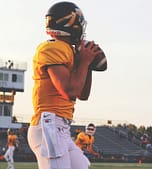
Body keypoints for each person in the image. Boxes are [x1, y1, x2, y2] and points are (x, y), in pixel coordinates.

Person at [27, 1, 106, 169]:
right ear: (71, 25)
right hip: (49, 124)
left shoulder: (68, 51)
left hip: (60, 127)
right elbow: (69, 91)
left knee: (82, 166)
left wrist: (88, 65)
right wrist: (84, 62)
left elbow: (82, 94)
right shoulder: (52, 48)